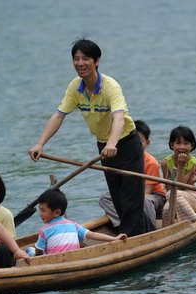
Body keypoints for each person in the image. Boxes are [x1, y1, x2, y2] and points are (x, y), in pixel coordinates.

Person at [28, 38, 147, 237]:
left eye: (85, 58)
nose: (80, 63)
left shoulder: (110, 86)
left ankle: (135, 240)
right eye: (76, 59)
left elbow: (118, 117)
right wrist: (40, 144)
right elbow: (59, 116)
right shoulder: (75, 87)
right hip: (105, 147)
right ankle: (136, 235)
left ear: (97, 60)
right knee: (118, 199)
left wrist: (112, 143)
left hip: (126, 144)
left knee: (131, 200)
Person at [99, 120, 166, 230]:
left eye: (140, 141)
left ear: (147, 143)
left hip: (154, 196)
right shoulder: (125, 160)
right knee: (105, 198)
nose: (136, 144)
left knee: (144, 201)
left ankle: (149, 229)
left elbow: (147, 191)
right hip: (131, 195)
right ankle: (121, 224)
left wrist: (128, 199)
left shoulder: (151, 162)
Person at [35, 188, 127, 255]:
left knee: (30, 251)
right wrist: (114, 238)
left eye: (43, 210)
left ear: (57, 212)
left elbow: (38, 252)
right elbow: (93, 235)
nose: (40, 214)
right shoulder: (74, 225)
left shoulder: (44, 230)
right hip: (75, 259)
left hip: (53, 263)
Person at [160, 126, 196, 225]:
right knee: (166, 209)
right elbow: (169, 188)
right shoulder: (165, 163)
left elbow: (181, 186)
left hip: (193, 198)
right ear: (172, 145)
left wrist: (180, 166)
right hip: (173, 197)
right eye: (178, 143)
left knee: (173, 194)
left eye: (186, 143)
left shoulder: (195, 163)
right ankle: (166, 232)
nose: (182, 147)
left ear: (192, 146)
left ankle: (194, 220)